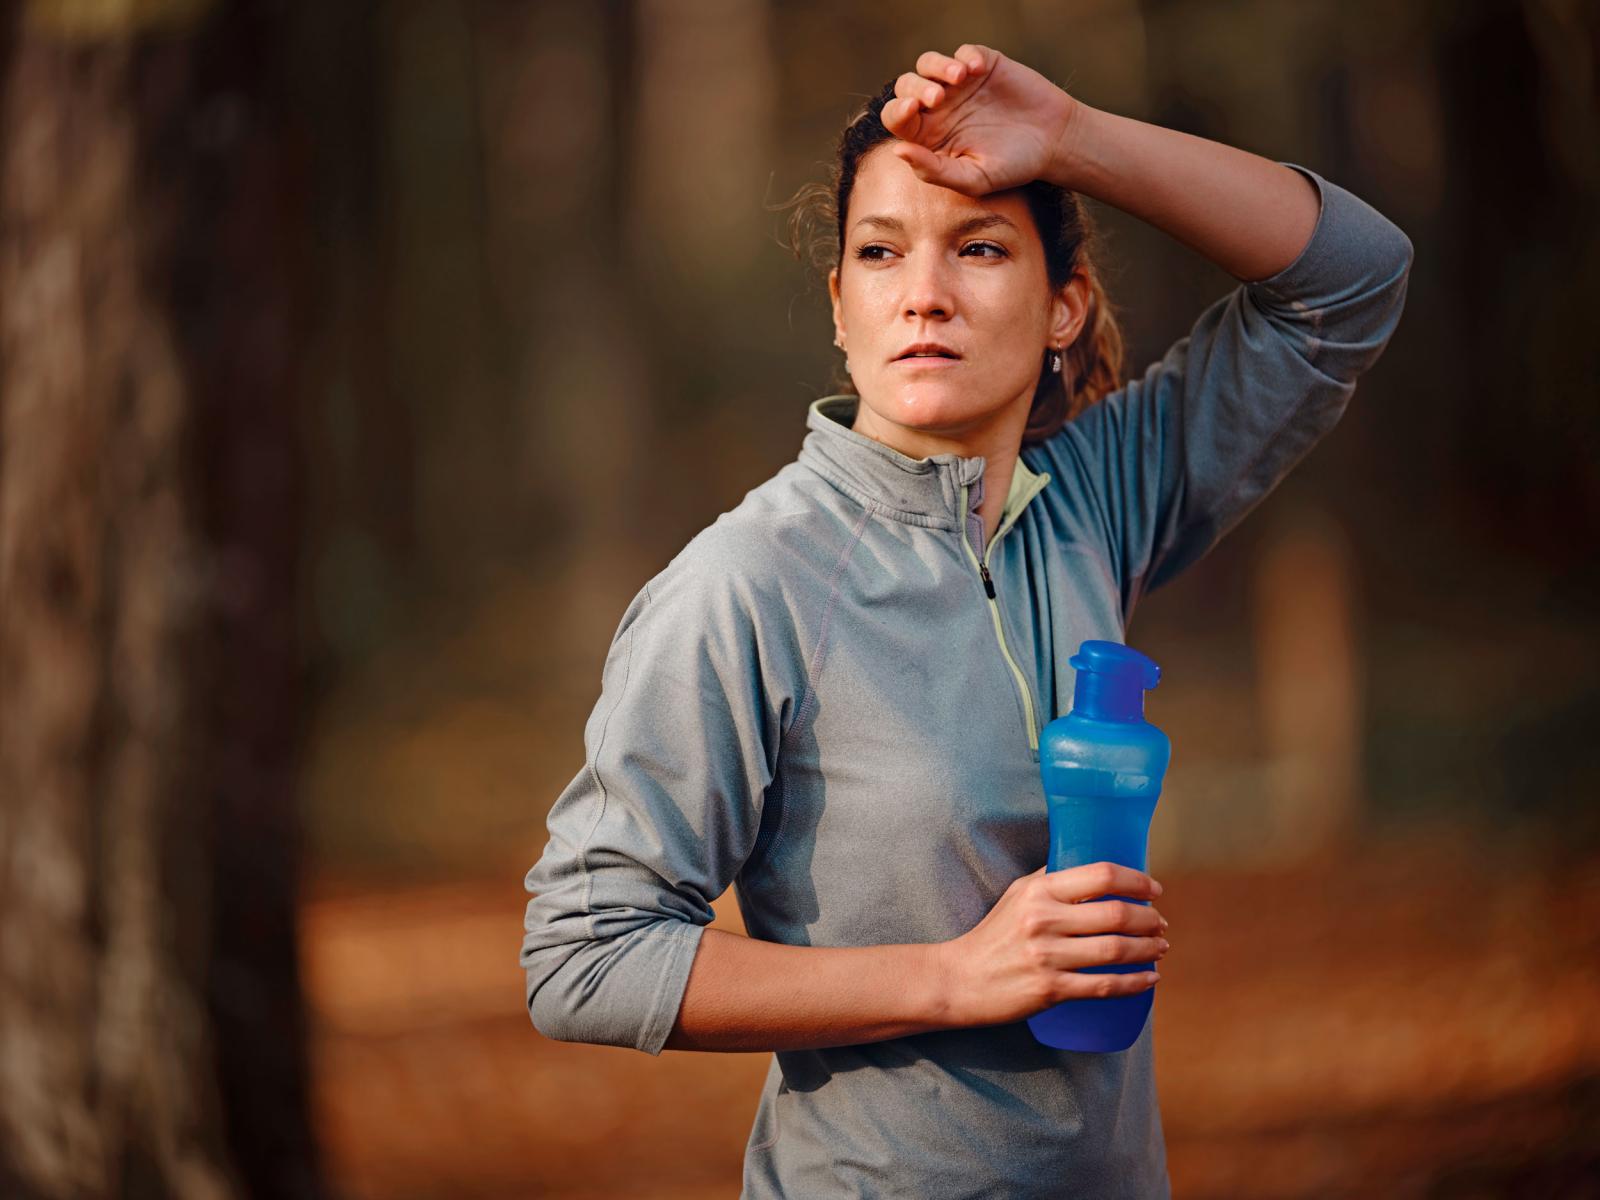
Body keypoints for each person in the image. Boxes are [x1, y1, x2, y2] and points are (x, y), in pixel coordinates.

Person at [520, 43, 1412, 1199]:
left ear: (1063, 307)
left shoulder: (1093, 501)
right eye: (880, 253)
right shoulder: (748, 583)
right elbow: (583, 955)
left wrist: (1076, 138)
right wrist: (951, 975)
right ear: (840, 307)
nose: (923, 292)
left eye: (979, 248)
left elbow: (1351, 277)